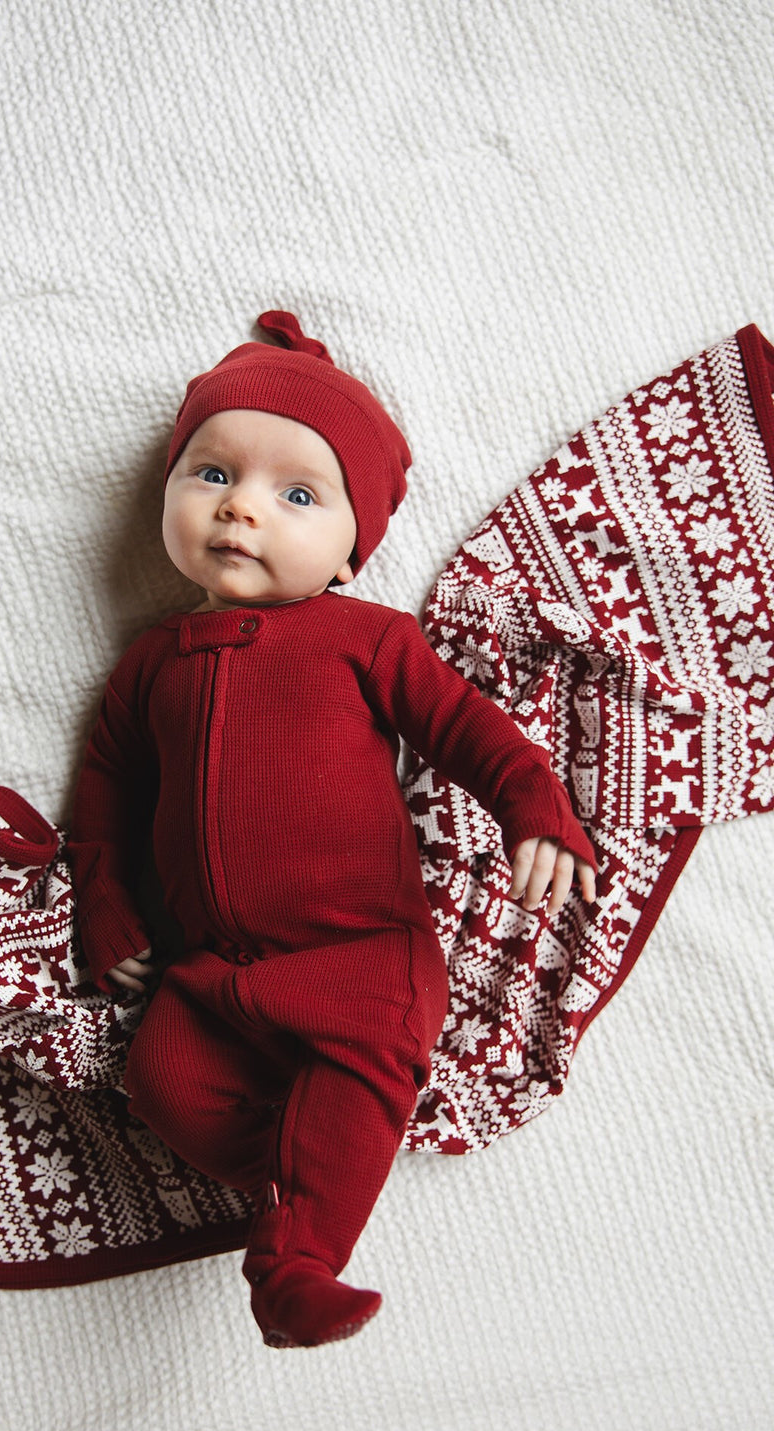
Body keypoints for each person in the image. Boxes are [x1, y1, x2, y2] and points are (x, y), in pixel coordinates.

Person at [67, 311, 597, 1347]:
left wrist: (536, 811)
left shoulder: (367, 640)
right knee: (158, 1081)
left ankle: (297, 1260)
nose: (241, 511)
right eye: (211, 474)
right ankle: (302, 1173)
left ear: (351, 554)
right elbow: (106, 789)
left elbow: (470, 731)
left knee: (363, 1058)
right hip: (209, 969)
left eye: (296, 495)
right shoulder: (149, 664)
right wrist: (106, 899)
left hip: (359, 954)